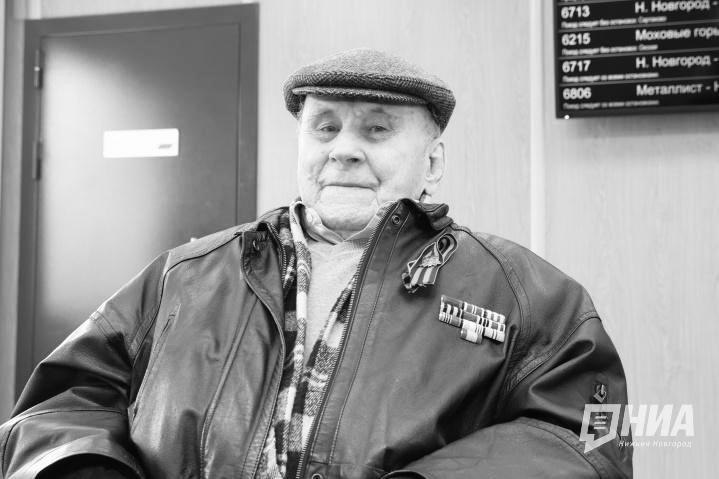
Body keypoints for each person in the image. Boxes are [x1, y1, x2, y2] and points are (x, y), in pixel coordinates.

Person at [0, 49, 633, 478]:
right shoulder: (182, 277)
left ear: (433, 161)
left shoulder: (528, 295)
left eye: (377, 130)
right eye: (325, 128)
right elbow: (58, 406)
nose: (344, 151)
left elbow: (594, 438)